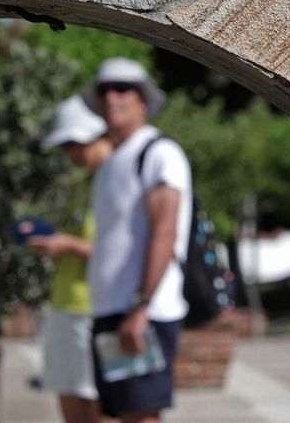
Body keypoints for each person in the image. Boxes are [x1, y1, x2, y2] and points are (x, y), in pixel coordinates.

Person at [81, 58, 192, 423]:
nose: (111, 97)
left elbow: (166, 231)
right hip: (112, 310)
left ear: (143, 99)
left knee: (142, 413)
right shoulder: (113, 162)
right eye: (104, 90)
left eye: (122, 88)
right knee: (124, 413)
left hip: (143, 311)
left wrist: (141, 306)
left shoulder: (158, 153)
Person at [29, 97, 114, 423]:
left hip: (98, 308)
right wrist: (53, 242)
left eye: (72, 144)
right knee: (69, 396)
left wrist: (68, 244)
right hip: (65, 305)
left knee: (102, 403)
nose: (69, 154)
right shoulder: (81, 185)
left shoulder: (118, 181)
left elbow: (122, 252)